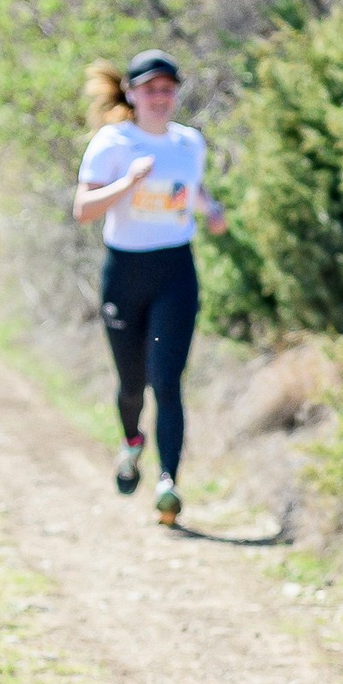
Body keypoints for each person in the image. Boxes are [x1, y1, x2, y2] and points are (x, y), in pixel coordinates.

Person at [73, 50, 226, 527]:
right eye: (151, 89)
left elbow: (191, 191)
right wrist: (128, 182)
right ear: (133, 94)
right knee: (132, 385)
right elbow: (84, 209)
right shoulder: (112, 142)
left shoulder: (189, 143)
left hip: (175, 271)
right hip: (125, 272)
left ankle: (168, 483)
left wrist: (212, 209)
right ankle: (131, 441)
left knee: (168, 382)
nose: (161, 98)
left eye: (168, 89)